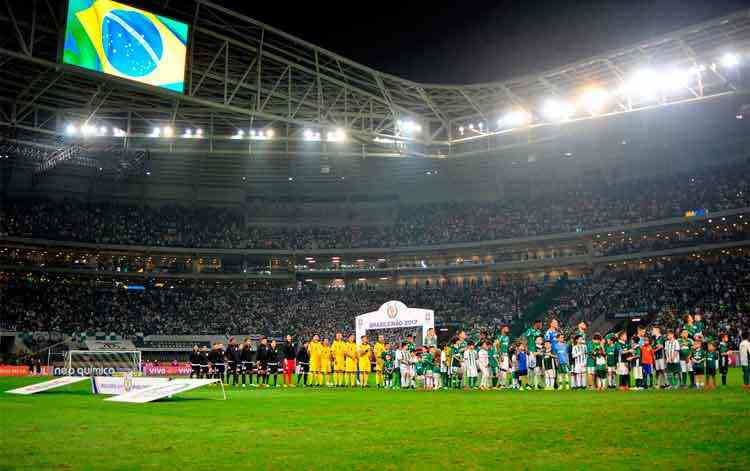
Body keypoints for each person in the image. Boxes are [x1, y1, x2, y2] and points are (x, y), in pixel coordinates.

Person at [523, 321, 543, 390]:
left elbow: (540, 341)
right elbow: (524, 339)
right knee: (530, 368)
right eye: (540, 324)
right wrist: (526, 349)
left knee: (537, 368)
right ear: (536, 324)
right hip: (530, 352)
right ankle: (528, 384)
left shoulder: (539, 332)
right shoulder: (530, 330)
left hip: (537, 352)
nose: (541, 325)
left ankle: (536, 383)